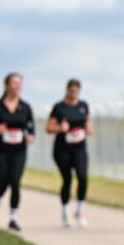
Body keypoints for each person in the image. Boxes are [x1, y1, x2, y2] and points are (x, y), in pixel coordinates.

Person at [0, 73, 35, 231]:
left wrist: (31, 135)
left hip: (19, 150)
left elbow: (30, 126)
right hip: (1, 150)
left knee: (15, 183)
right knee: (2, 183)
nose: (18, 86)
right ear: (7, 85)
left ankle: (13, 218)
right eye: (14, 83)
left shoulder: (25, 107)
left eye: (20, 83)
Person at [47, 79, 93, 228]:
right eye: (71, 91)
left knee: (82, 177)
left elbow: (88, 123)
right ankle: (65, 213)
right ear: (67, 90)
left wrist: (88, 129)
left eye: (76, 91)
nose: (74, 94)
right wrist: (61, 128)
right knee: (67, 179)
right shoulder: (59, 107)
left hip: (79, 148)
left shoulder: (83, 106)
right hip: (62, 149)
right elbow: (49, 128)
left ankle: (80, 211)